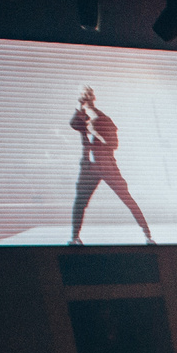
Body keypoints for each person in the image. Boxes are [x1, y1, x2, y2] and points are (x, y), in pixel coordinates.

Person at [68, 87, 154, 245]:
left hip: (107, 166)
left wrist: (96, 133)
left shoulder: (104, 119)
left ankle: (147, 234)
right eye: (84, 100)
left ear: (93, 100)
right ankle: (74, 238)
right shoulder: (82, 119)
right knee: (80, 202)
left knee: (126, 198)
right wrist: (79, 106)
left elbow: (113, 145)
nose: (86, 103)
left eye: (88, 99)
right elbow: (73, 123)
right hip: (89, 168)